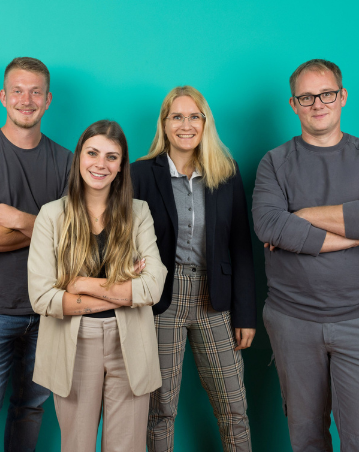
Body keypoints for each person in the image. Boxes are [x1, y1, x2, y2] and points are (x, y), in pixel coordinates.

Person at [251, 59, 359, 451]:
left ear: (342, 96)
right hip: (292, 322)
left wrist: (301, 216)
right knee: (307, 441)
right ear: (293, 104)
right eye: (306, 97)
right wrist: (354, 229)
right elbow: (269, 225)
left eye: (327, 94)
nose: (318, 103)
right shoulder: (274, 163)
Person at [0, 57, 73, 452]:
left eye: (35, 92)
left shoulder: (68, 161)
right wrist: (48, 229)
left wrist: (21, 219)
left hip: (49, 310)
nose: (27, 100)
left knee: (30, 410)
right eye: (18, 91)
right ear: (4, 97)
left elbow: (75, 239)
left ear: (48, 100)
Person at [28, 119, 167, 452]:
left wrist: (80, 284)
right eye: (92, 153)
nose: (100, 164)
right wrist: (124, 291)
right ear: (79, 157)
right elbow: (43, 297)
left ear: (121, 166)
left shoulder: (139, 213)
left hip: (130, 341)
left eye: (111, 157)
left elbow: (152, 288)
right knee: (77, 446)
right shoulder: (51, 216)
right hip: (72, 342)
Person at [131, 86, 256, 452]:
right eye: (177, 117)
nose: (185, 125)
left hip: (214, 299)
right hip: (160, 300)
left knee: (234, 408)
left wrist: (245, 314)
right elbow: (123, 238)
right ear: (164, 123)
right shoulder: (140, 173)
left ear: (205, 122)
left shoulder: (226, 172)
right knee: (159, 409)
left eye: (193, 117)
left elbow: (240, 247)